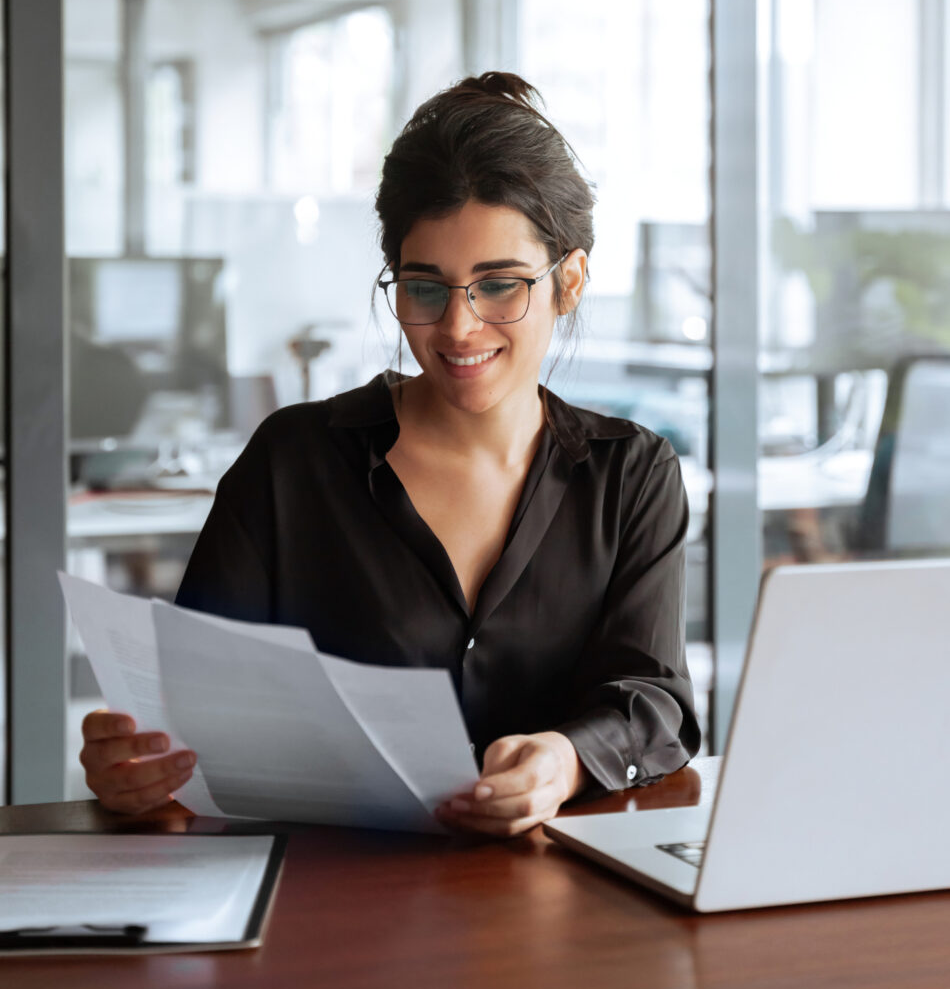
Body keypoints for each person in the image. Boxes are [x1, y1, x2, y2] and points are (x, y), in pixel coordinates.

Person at [79, 71, 700, 836]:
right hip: (328, 900)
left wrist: (565, 759)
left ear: (568, 281)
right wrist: (138, 766)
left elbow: (655, 699)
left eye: (499, 285)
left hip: (560, 897)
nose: (460, 328)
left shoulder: (631, 474)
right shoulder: (294, 461)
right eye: (425, 288)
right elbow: (194, 708)